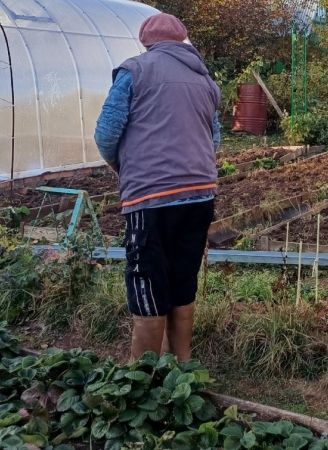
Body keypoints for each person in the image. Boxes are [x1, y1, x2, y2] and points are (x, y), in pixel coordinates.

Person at [94, 13, 221, 362]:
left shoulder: (134, 71)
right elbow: (214, 139)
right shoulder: (205, 80)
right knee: (182, 281)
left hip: (151, 197)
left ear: (146, 42)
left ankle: (140, 385)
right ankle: (181, 366)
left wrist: (124, 166)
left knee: (146, 286)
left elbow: (106, 134)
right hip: (200, 194)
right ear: (182, 39)